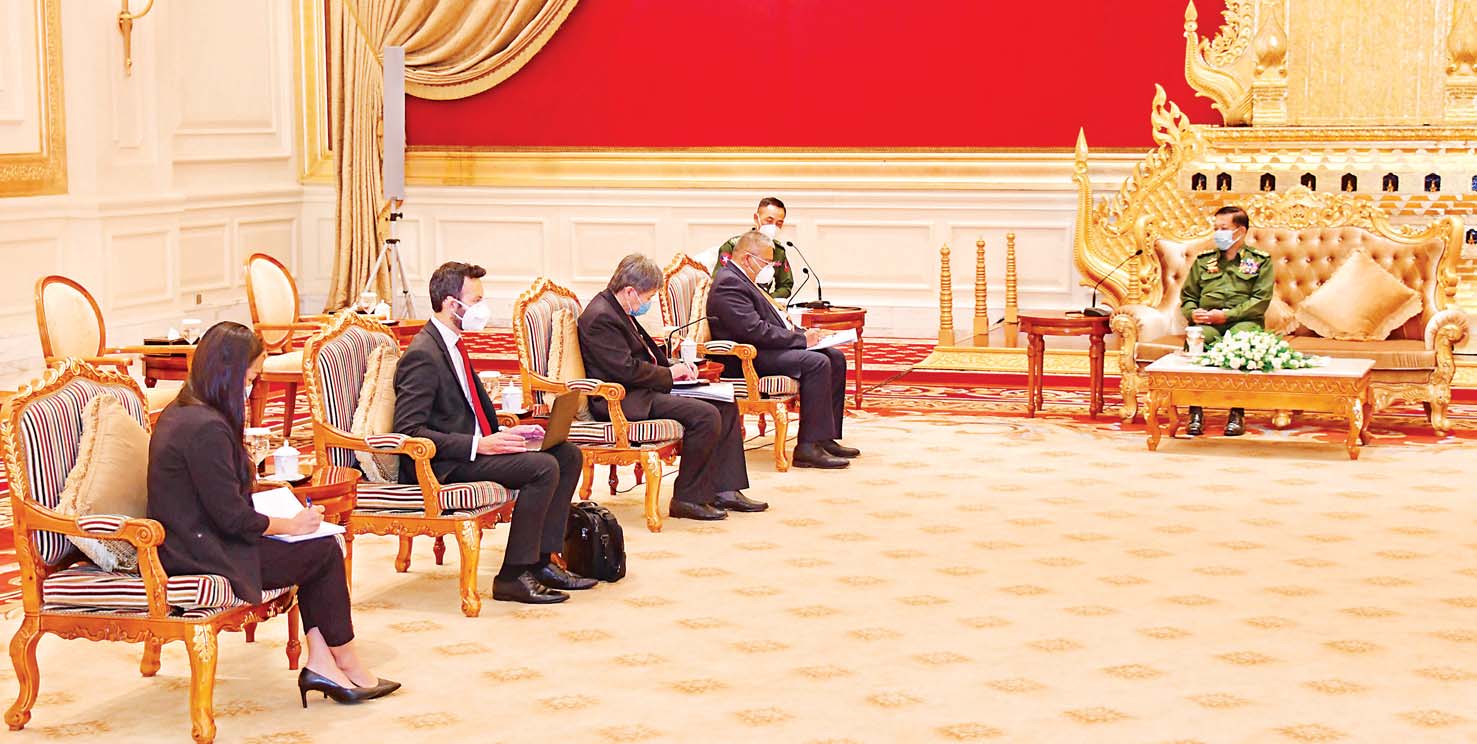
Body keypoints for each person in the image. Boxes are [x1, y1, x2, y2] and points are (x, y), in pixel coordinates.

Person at [147, 321, 400, 706]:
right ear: (228, 373)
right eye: (250, 377)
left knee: (317, 548)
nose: (251, 387)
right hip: (199, 551)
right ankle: (343, 659)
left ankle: (323, 661)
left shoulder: (186, 411)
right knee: (322, 550)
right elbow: (232, 517)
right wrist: (290, 525)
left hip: (198, 537)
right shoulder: (204, 428)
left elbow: (221, 502)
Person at [393, 261, 595, 604]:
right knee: (542, 468)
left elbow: (464, 411)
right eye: (476, 300)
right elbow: (409, 430)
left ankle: (543, 561)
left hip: (472, 449)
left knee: (567, 454)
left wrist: (505, 432)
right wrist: (480, 444)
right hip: (443, 463)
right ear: (450, 304)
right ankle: (513, 575)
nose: (481, 308)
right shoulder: (423, 355)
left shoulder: (453, 344)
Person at [578, 254, 763, 521]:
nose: (648, 303)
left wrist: (677, 369)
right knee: (705, 415)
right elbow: (624, 369)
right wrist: (669, 375)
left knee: (724, 402)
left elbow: (643, 355)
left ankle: (725, 490)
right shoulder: (601, 317)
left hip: (642, 390)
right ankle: (687, 499)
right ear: (630, 291)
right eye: (649, 296)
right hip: (623, 400)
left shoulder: (617, 308)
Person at [708, 230, 859, 469]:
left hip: (763, 349)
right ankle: (807, 448)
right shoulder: (729, 283)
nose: (770, 268)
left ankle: (824, 437)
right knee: (817, 362)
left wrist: (804, 335)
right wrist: (801, 341)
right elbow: (753, 330)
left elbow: (769, 323)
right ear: (747, 258)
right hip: (746, 357)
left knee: (835, 357)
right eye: (766, 262)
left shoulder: (744, 279)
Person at [1179, 205, 1275, 437]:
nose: (1217, 234)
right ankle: (1195, 411)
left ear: (1240, 231)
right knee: (1198, 339)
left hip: (1243, 321)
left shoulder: (1259, 261)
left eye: (1223, 228)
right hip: (1208, 322)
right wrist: (1193, 313)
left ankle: (1236, 412)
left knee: (1241, 341)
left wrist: (1227, 315)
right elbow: (1188, 296)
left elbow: (1260, 300)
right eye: (1216, 228)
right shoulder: (1204, 261)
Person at [713, 197, 794, 298]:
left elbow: (786, 285)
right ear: (756, 219)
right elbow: (719, 282)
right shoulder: (733, 246)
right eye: (769, 221)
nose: (773, 227)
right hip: (737, 299)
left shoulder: (778, 251)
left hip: (764, 302)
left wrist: (768, 299)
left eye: (779, 223)